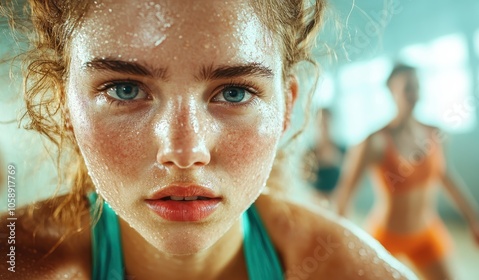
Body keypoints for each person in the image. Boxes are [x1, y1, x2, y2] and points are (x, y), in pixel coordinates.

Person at [0, 1, 418, 279]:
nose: (183, 153)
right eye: (124, 89)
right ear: (65, 105)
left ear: (285, 107)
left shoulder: (350, 270)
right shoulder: (16, 261)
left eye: (234, 92)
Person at [334, 63, 479, 280]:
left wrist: (475, 220)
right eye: (407, 87)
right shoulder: (376, 142)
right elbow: (345, 194)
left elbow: (448, 179)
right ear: (391, 91)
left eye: (417, 87)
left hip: (426, 234)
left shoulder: (435, 134)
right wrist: (340, 242)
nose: (414, 93)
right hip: (387, 238)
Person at [306, 108, 345, 202]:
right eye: (321, 123)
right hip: (314, 202)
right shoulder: (310, 154)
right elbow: (304, 182)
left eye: (327, 123)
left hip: (336, 202)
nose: (324, 127)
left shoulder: (343, 151)